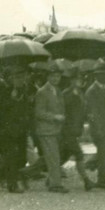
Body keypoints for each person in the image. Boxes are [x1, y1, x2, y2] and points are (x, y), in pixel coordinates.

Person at [34, 62, 67, 193]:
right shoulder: (42, 92)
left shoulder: (57, 90)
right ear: (48, 77)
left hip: (55, 129)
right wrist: (54, 117)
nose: (55, 79)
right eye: (53, 76)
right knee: (53, 157)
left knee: (53, 156)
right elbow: (38, 112)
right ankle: (55, 185)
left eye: (58, 76)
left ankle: (51, 180)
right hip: (46, 129)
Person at [60, 66, 94, 191]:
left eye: (81, 78)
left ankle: (28, 172)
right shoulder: (67, 93)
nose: (80, 80)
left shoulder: (80, 93)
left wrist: (87, 115)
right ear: (71, 80)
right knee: (79, 154)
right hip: (67, 130)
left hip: (75, 130)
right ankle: (86, 181)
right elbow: (64, 110)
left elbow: (81, 110)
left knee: (61, 157)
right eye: (77, 78)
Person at [85, 66, 105, 188]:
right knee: (104, 154)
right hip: (99, 128)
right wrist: (97, 128)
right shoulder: (91, 91)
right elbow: (91, 113)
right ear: (97, 76)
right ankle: (103, 181)